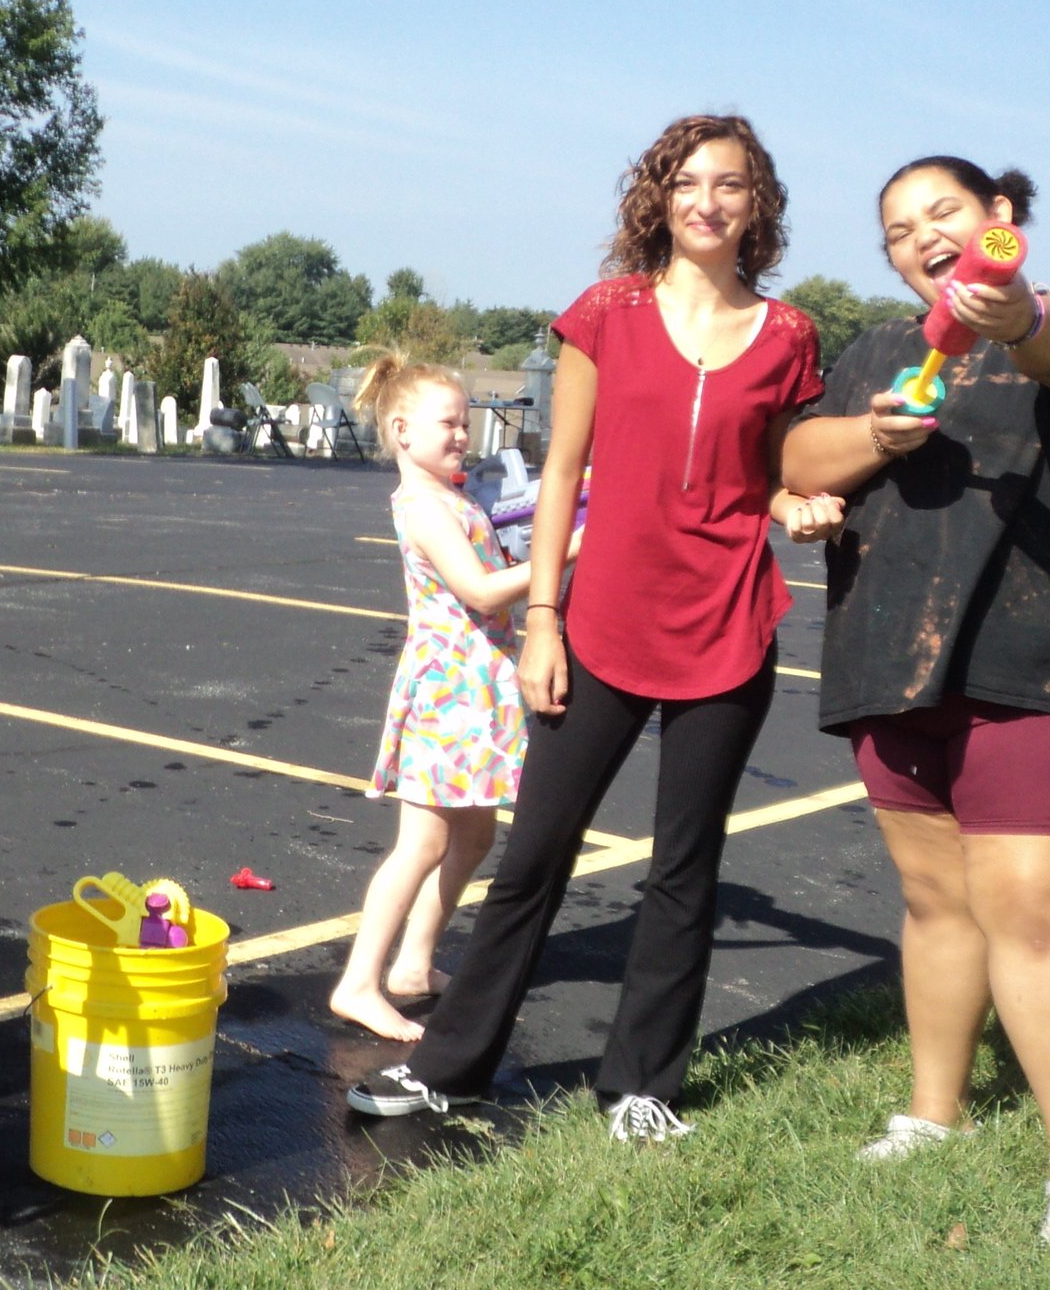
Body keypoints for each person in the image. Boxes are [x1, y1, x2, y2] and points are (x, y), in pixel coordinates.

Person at [347, 114, 844, 1136]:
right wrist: (539, 619)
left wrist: (795, 505)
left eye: (732, 185)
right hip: (602, 623)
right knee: (534, 854)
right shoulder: (607, 313)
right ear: (659, 198)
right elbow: (564, 471)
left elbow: (774, 469)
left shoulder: (789, 335)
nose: (709, 200)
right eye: (689, 181)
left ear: (759, 207)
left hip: (729, 627)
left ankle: (643, 1089)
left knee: (682, 868)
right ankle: (451, 1065)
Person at [780, 157, 1050, 1246]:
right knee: (935, 904)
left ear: (998, 219)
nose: (920, 237)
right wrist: (865, 446)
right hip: (889, 659)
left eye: (941, 212)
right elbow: (800, 452)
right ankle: (931, 1115)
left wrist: (1013, 315)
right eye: (897, 230)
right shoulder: (877, 353)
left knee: (1029, 915)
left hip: (1042, 661)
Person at [329, 353, 575, 1042]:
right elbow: (479, 589)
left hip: (477, 686)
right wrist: (565, 551)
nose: (464, 434)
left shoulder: (456, 496)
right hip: (448, 690)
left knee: (473, 832)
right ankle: (359, 981)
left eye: (466, 423)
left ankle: (413, 962)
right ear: (402, 430)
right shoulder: (421, 506)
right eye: (450, 423)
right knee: (423, 839)